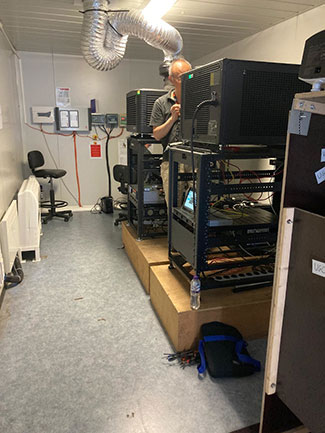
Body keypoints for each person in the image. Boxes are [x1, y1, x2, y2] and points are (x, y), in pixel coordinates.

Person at [150, 58, 192, 206]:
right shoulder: (161, 103)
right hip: (171, 160)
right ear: (171, 79)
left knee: (200, 203)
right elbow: (157, 135)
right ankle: (176, 229)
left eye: (189, 75)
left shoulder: (199, 101)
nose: (185, 80)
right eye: (181, 76)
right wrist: (172, 119)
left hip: (195, 160)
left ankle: (193, 229)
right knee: (174, 205)